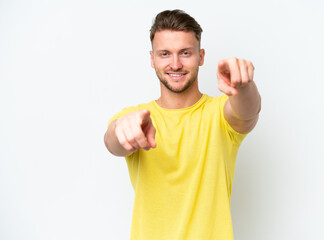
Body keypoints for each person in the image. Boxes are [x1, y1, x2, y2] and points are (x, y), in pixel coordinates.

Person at [104, 9, 261, 240]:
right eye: (165, 54)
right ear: (152, 59)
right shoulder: (137, 117)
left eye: (185, 53)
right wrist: (122, 131)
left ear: (201, 56)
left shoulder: (219, 113)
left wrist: (244, 85)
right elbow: (112, 142)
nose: (175, 64)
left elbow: (247, 112)